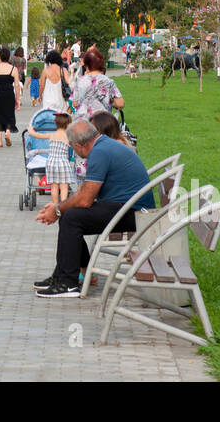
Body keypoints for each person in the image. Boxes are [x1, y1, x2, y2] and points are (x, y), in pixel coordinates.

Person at [33, 119, 154, 297]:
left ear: (80, 144)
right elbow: (86, 192)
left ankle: (68, 283)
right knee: (70, 216)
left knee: (72, 218)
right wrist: (60, 207)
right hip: (128, 207)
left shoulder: (100, 152)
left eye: (72, 148)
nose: (73, 151)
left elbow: (85, 200)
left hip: (135, 213)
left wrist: (58, 209)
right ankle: (63, 277)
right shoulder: (103, 145)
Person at [27, 111, 73, 207]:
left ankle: (55, 205)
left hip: (51, 163)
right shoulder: (68, 136)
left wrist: (31, 131)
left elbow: (38, 135)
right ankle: (63, 205)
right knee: (64, 186)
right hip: (63, 163)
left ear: (56, 123)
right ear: (68, 124)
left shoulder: (51, 135)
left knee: (54, 186)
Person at [70, 47, 124, 120]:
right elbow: (120, 103)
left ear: (86, 65)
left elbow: (75, 104)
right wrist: (109, 102)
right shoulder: (108, 81)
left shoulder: (80, 81)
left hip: (84, 122)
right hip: (103, 122)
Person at [37, 49, 70, 114]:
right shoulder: (63, 70)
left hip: (48, 99)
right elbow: (68, 82)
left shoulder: (46, 71)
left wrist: (40, 95)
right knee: (59, 121)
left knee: (48, 120)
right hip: (60, 99)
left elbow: (42, 85)